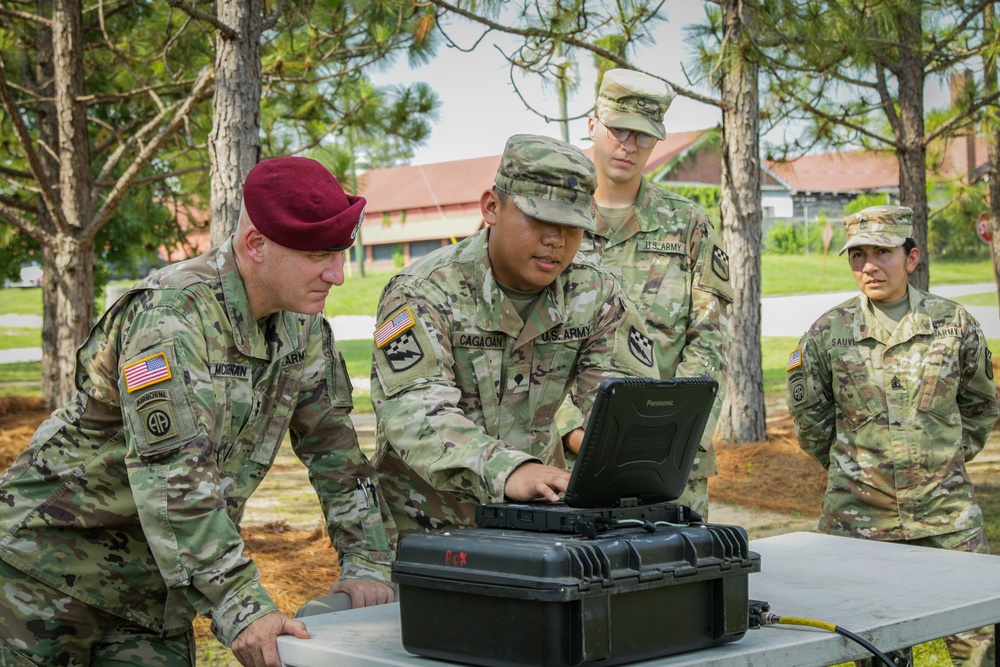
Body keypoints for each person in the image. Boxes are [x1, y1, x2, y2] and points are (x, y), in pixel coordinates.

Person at [0, 157, 396, 667]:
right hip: (47, 573)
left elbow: (336, 452)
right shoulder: (170, 317)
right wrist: (243, 608)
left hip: (154, 592)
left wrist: (365, 562)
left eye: (342, 254)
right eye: (318, 256)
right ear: (256, 244)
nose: (338, 276)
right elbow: (173, 479)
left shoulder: (303, 329)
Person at [369, 133, 658, 536]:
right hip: (426, 525)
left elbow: (624, 403)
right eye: (540, 220)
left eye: (572, 225)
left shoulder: (594, 293)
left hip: (535, 519)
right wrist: (510, 468)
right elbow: (413, 410)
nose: (556, 240)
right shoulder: (422, 290)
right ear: (492, 207)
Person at [785, 205, 999, 667]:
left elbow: (980, 406)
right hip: (860, 524)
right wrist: (861, 472)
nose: (868, 265)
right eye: (857, 254)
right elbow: (812, 422)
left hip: (947, 519)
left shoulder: (954, 324)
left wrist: (938, 465)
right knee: (874, 653)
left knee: (977, 648)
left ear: (912, 257)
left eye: (882, 252)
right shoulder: (827, 332)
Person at [556, 68, 733, 519]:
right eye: (618, 130)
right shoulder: (553, 221)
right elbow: (523, 345)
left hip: (668, 463)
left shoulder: (688, 224)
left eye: (643, 135)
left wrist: (677, 432)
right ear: (594, 124)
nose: (628, 146)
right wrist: (573, 431)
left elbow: (710, 340)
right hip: (564, 460)